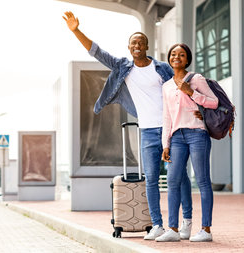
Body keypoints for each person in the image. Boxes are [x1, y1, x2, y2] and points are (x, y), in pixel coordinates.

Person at [63, 11, 195, 240]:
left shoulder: (161, 68)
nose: (137, 45)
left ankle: (186, 223)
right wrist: (76, 31)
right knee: (151, 179)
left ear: (146, 46)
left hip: (170, 129)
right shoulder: (123, 67)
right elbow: (97, 52)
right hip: (147, 132)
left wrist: (195, 109)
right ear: (129, 47)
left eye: (141, 42)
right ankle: (157, 225)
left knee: (180, 176)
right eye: (134, 42)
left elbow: (180, 90)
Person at [156, 43, 218, 242]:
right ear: (169, 58)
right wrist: (165, 144)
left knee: (202, 181)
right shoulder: (166, 86)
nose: (177, 57)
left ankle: (206, 230)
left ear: (187, 59)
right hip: (177, 138)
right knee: (173, 181)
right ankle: (173, 229)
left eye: (181, 55)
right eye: (173, 54)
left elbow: (214, 102)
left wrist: (192, 93)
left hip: (197, 134)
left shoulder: (196, 79)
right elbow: (167, 117)